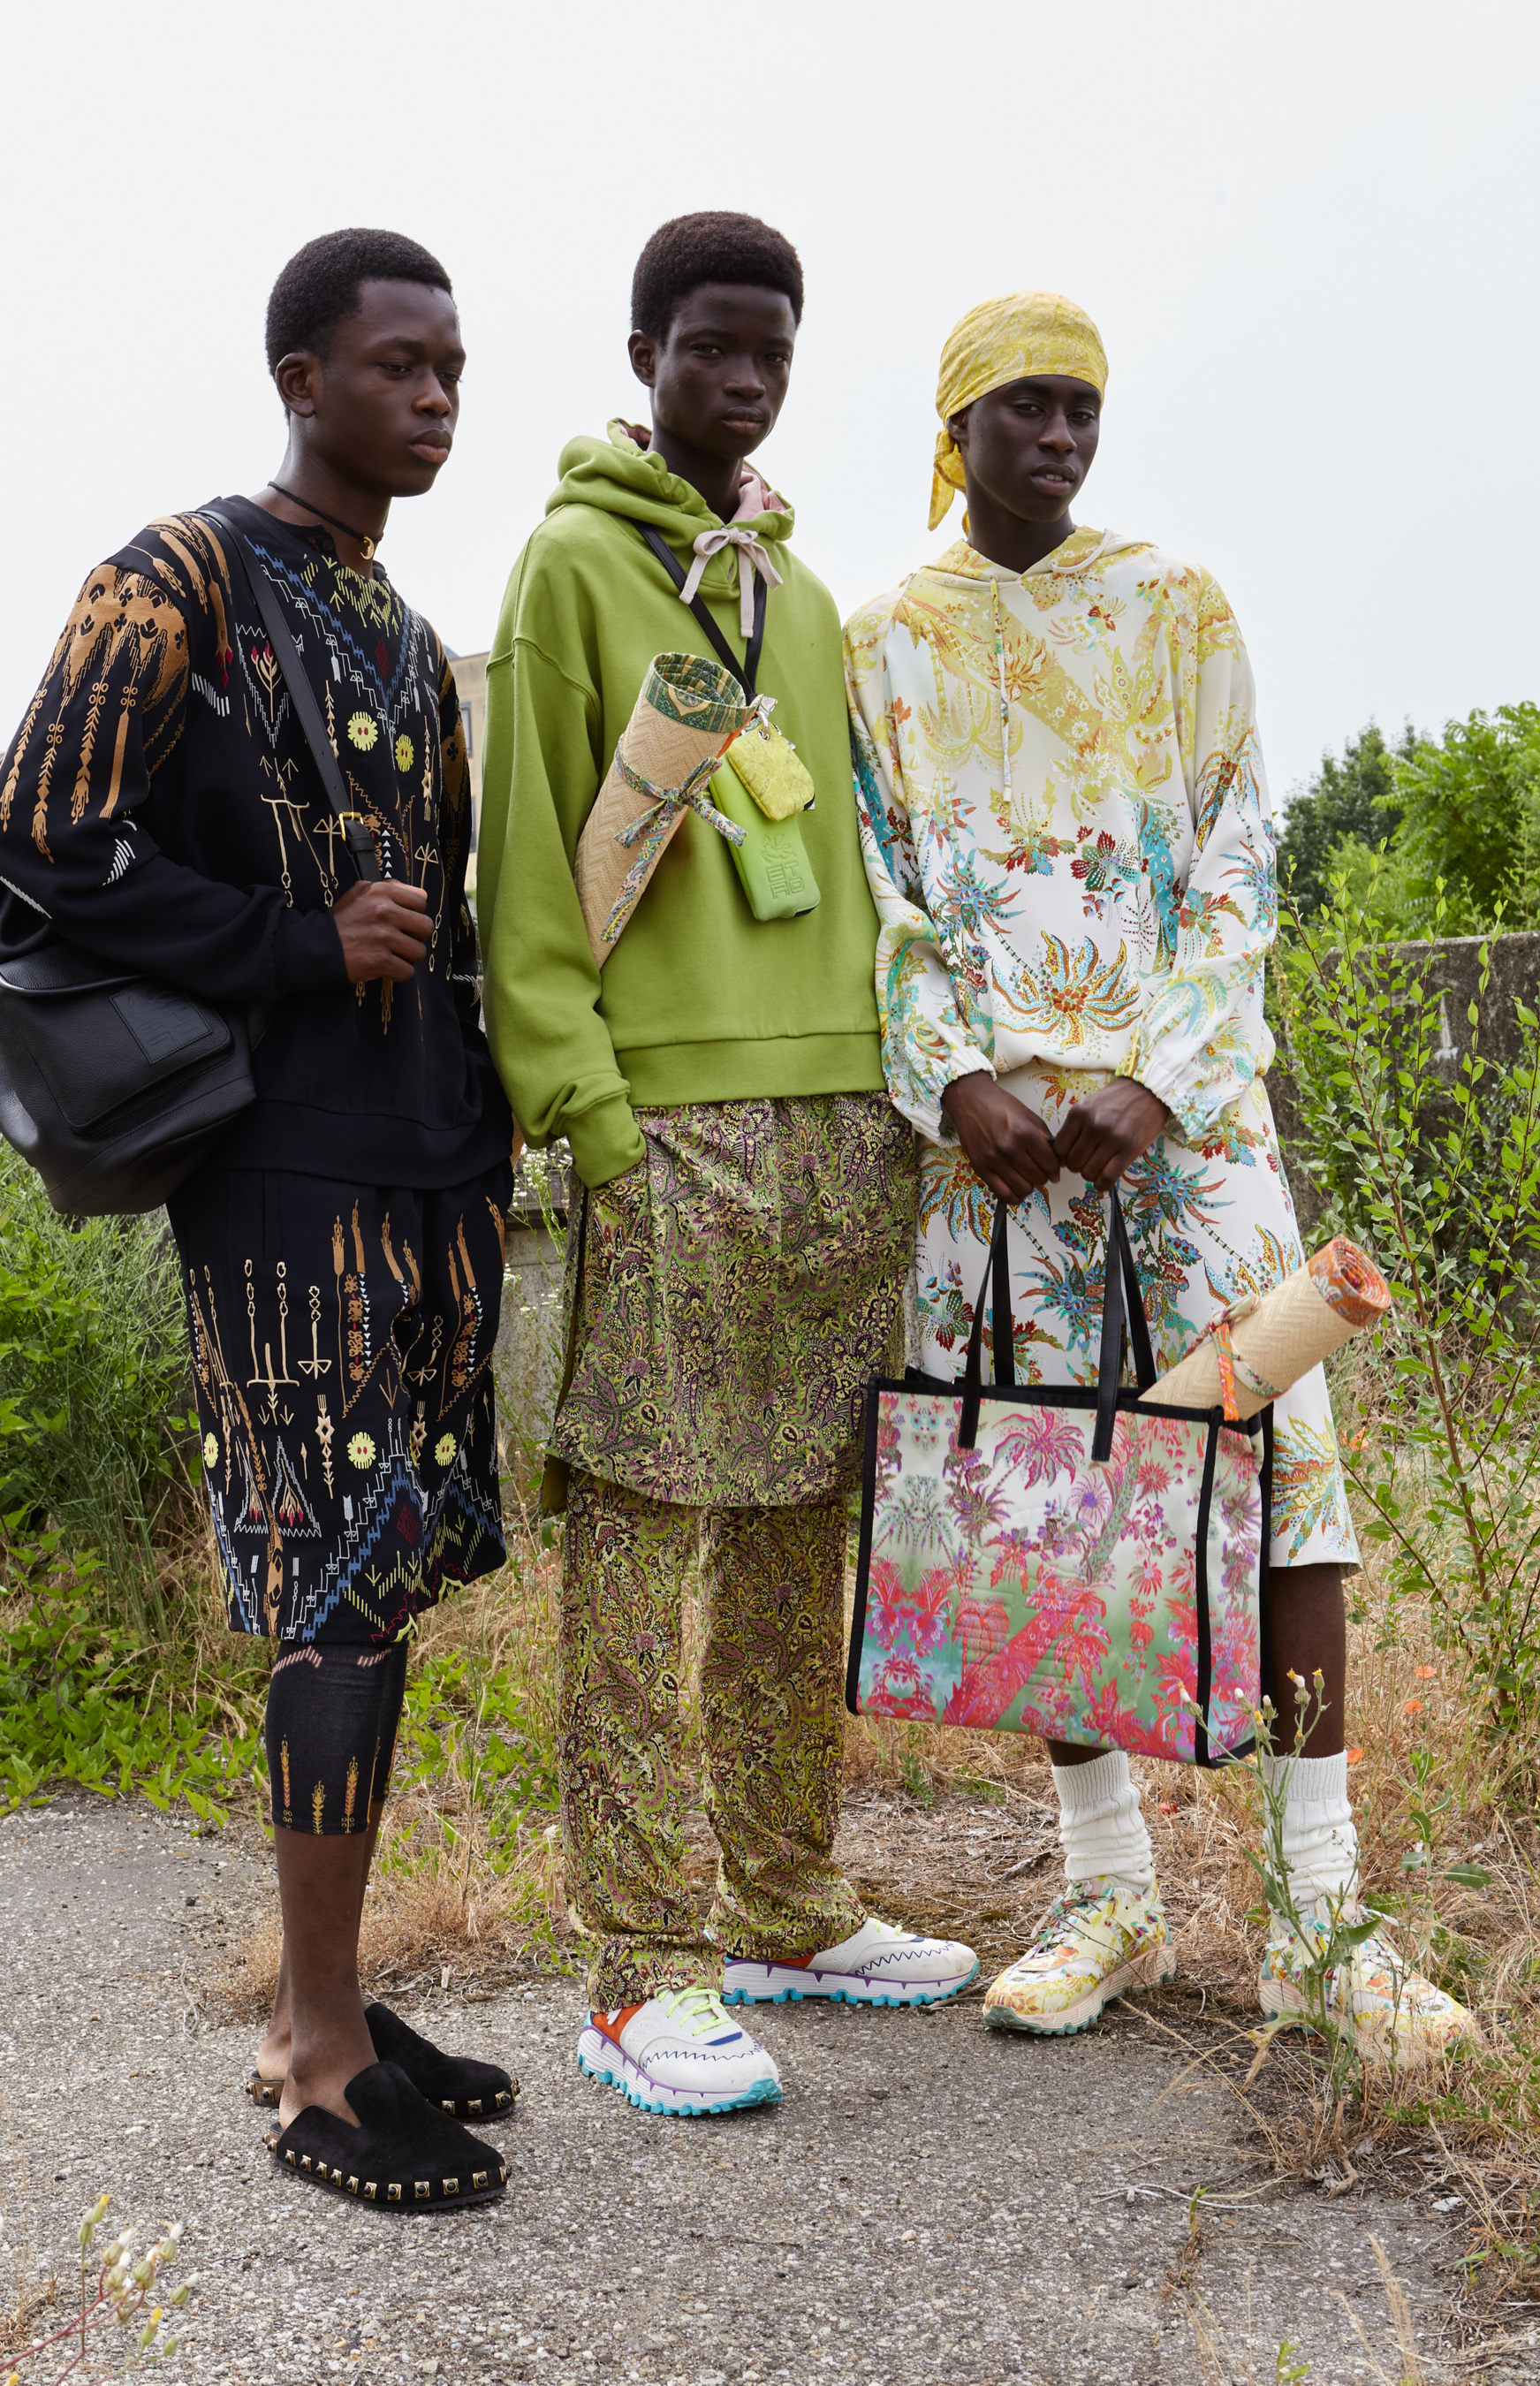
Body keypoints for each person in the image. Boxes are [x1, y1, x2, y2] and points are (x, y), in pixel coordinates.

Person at [843, 290, 1474, 2061]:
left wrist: (1156, 1073)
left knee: (1278, 1478)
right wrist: (955, 1078)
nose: (1059, 437)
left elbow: (1236, 866)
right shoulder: (879, 642)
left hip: (1186, 1131)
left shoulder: (1181, 610)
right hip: (997, 1158)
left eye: (1084, 411)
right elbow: (885, 890)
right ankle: (1106, 1889)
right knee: (1051, 1492)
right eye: (1025, 408)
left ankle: (1317, 1917)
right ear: (953, 429)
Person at [0, 229, 520, 2207]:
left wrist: (479, 1154)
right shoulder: (175, 579)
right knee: (331, 1578)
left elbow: (449, 928)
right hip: (273, 1168)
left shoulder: (398, 630)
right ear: (300, 375)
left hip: (421, 1166)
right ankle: (310, 2061)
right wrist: (291, 943)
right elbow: (37, 836)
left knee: (390, 1573)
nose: (438, 398)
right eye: (400, 365)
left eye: (456, 368)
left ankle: (343, 1993)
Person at [477, 210, 978, 2116]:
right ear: (643, 352)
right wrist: (591, 1119)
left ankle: (784, 1900)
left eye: (770, 346)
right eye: (708, 343)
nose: (742, 375)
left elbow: (843, 864)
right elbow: (529, 867)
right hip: (664, 1125)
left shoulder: (805, 593)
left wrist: (887, 1100)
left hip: (837, 1122)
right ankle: (636, 1973)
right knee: (642, 1536)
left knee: (794, 1535)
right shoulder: (570, 570)